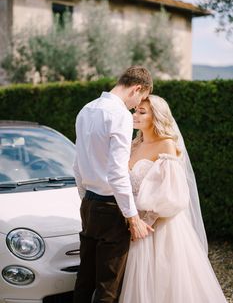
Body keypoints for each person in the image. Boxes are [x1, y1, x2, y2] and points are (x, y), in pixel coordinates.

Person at [119, 95, 227, 303]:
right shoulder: (133, 144)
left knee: (164, 284)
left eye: (142, 112)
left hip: (158, 226)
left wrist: (144, 223)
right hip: (131, 221)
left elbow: (172, 195)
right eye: (136, 110)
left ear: (156, 117)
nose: (135, 115)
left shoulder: (166, 145)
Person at [72, 65, 154, 303]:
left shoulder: (86, 110)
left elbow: (77, 165)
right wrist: (133, 218)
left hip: (89, 203)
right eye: (141, 98)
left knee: (84, 279)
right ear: (137, 88)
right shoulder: (119, 115)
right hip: (111, 208)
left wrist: (86, 199)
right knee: (108, 287)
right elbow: (117, 172)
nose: (136, 106)